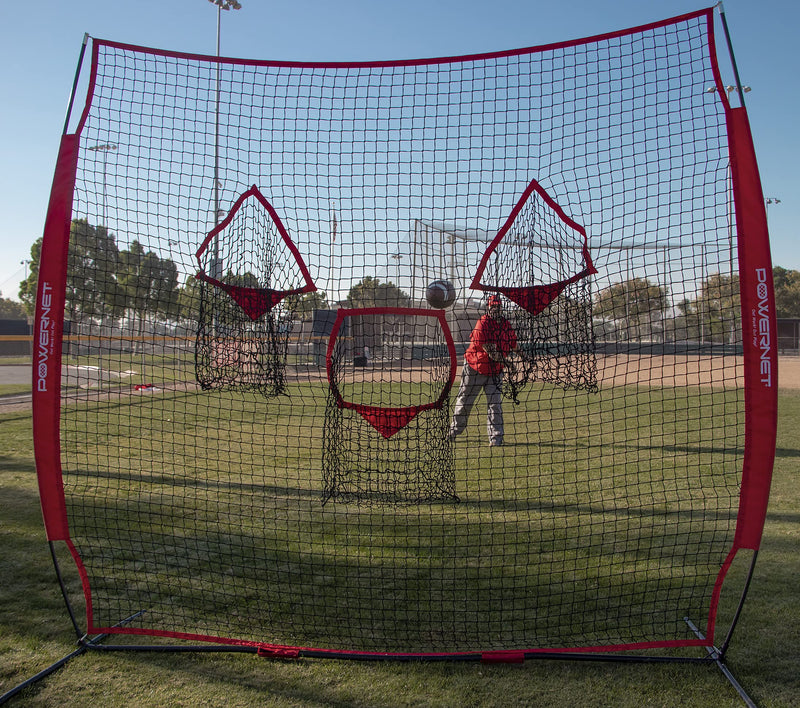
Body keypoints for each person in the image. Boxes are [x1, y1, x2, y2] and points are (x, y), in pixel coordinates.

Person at [448, 294, 517, 446]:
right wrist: (509, 364)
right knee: (465, 401)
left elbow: (513, 342)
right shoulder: (482, 324)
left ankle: (496, 439)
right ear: (488, 307)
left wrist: (524, 356)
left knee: (495, 404)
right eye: (493, 306)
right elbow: (491, 352)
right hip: (476, 368)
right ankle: (454, 430)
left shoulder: (505, 324)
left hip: (495, 370)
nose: (496, 309)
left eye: (498, 306)